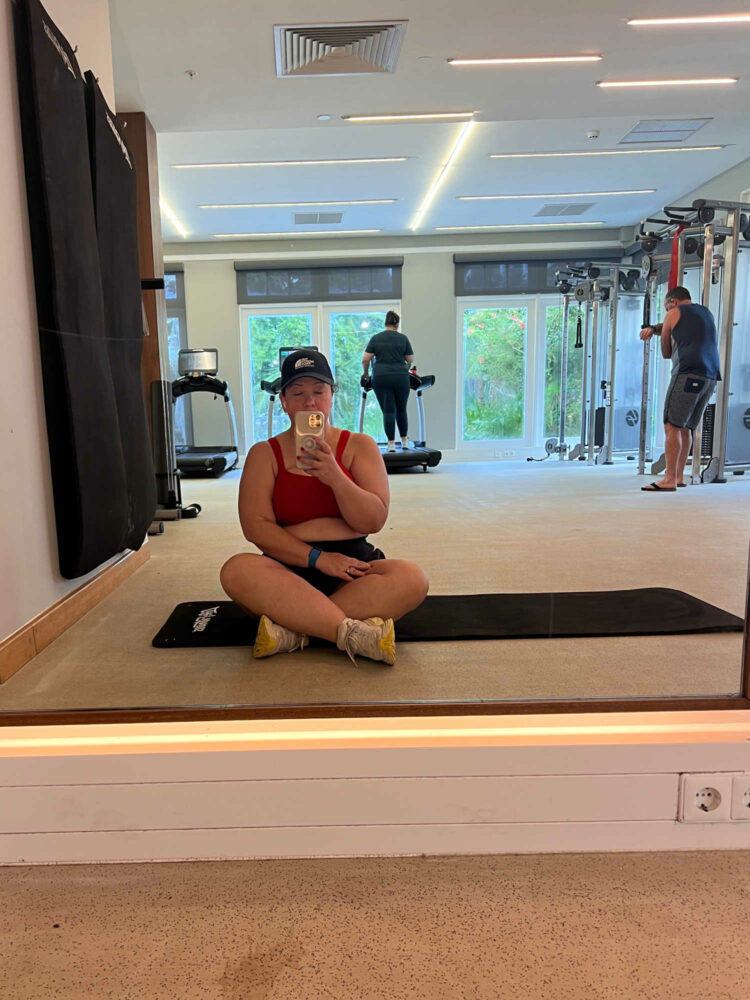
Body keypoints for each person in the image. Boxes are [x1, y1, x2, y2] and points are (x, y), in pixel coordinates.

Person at [220, 349, 429, 666]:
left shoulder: (360, 446)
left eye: (318, 392)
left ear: (332, 395)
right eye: (298, 393)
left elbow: (373, 520)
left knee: (412, 578)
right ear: (285, 402)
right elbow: (256, 528)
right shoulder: (264, 454)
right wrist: (319, 558)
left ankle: (294, 629)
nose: (309, 402)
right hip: (288, 568)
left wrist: (335, 478)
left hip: (353, 565)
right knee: (237, 570)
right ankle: (350, 632)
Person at [639, 286, 721, 492]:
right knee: (686, 427)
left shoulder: (672, 313)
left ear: (672, 303)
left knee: (672, 425)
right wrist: (655, 328)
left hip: (686, 373)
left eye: (666, 308)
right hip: (710, 375)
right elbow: (679, 325)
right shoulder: (705, 312)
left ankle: (668, 479)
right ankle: (678, 476)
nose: (667, 312)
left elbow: (667, 352)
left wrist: (661, 331)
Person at [361, 310, 415, 452]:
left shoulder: (376, 338)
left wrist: (366, 374)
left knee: (388, 411)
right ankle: (404, 442)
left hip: (381, 377)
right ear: (396, 324)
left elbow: (365, 359)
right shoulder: (403, 338)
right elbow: (410, 359)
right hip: (400, 376)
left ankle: (391, 444)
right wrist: (404, 365)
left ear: (386, 323)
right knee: (401, 410)